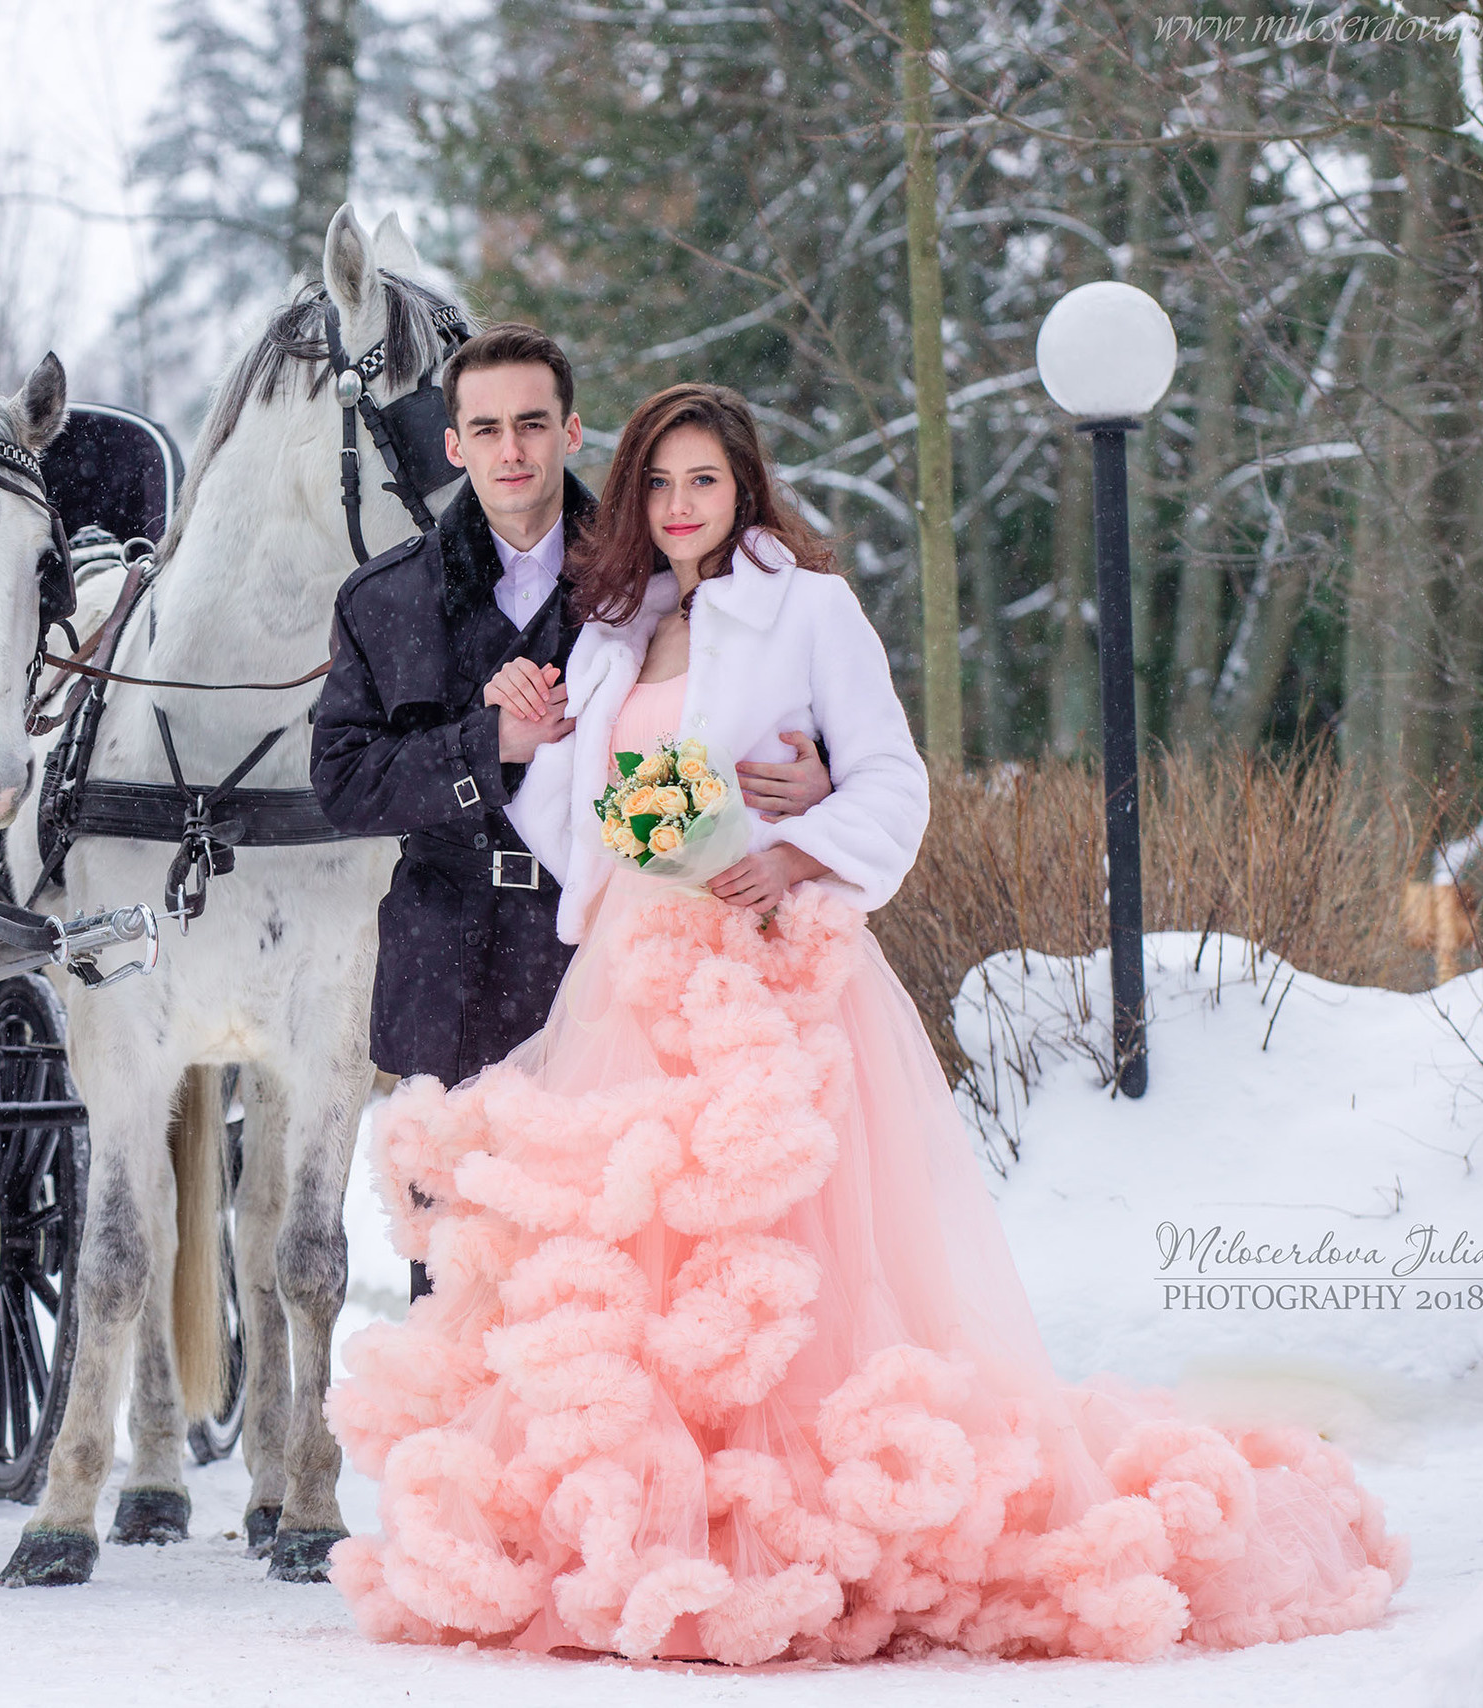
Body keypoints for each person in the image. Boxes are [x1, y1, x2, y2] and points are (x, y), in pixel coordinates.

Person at [323, 383, 1408, 1666]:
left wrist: (798, 841)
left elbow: (896, 780)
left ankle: (797, 1524)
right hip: (631, 978)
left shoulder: (810, 608)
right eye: (660, 485)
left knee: (784, 1267)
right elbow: (567, 816)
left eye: (705, 483)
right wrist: (545, 735)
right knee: (648, 1267)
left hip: (769, 974)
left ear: (747, 488)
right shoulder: (617, 624)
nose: (680, 508)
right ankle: (661, 1521)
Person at [311, 325, 830, 1118]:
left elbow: (765, 687)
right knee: (455, 1238)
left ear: (572, 432)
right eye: (486, 428)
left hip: (610, 964)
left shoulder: (662, 569)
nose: (511, 449)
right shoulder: (383, 601)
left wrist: (814, 773)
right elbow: (343, 785)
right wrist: (486, 747)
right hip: (443, 968)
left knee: (608, 1226)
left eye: (533, 424)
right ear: (455, 445)